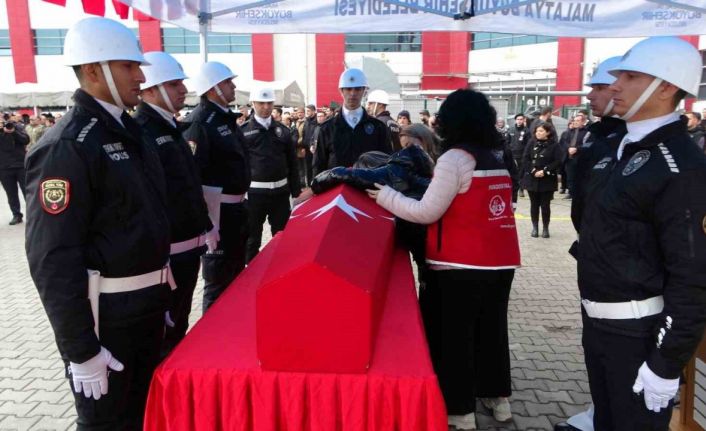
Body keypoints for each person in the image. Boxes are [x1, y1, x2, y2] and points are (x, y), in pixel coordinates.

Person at [25, 18, 173, 429]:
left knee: (143, 418)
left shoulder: (131, 130)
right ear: (93, 70)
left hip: (143, 310)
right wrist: (80, 350)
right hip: (106, 322)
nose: (141, 77)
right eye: (129, 66)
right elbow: (53, 258)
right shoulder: (67, 146)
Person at [367, 89, 521, 430]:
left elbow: (426, 211)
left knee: (456, 339)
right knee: (492, 331)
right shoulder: (495, 156)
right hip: (500, 262)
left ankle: (460, 411)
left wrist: (385, 196)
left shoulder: (454, 159)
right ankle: (498, 400)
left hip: (458, 265)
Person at [578, 36, 706, 431]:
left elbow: (693, 275)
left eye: (630, 76)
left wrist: (665, 362)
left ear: (666, 87)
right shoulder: (617, 146)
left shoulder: (680, 165)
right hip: (597, 325)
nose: (615, 85)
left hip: (639, 334)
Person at [555, 55, 627, 431]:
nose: (592, 94)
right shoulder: (599, 136)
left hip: (621, 267)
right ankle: (599, 409)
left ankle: (610, 413)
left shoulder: (628, 142)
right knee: (594, 342)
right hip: (593, 255)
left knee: (617, 350)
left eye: (600, 86)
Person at [134, 51, 215, 357]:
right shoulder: (144, 130)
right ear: (150, 90)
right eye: (173, 83)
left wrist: (206, 225)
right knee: (166, 336)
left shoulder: (169, 126)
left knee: (177, 326)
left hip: (187, 247)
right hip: (168, 257)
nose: (183, 89)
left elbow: (187, 185)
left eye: (180, 82)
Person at [184, 61, 250, 312]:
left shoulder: (225, 119)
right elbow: (193, 178)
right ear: (213, 88)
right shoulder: (200, 123)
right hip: (217, 215)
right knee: (217, 282)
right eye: (227, 82)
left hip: (235, 212)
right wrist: (207, 224)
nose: (233, 86)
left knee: (234, 277)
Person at [241, 87, 301, 262]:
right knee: (252, 239)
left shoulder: (283, 131)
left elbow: (292, 163)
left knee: (281, 236)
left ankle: (278, 272)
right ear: (253, 103)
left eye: (269, 103)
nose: (266, 107)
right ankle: (250, 277)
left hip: (280, 194)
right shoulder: (243, 131)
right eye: (261, 103)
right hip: (254, 195)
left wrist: (296, 193)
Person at [312, 68, 392, 175]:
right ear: (341, 91)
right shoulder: (327, 128)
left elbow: (387, 162)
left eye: (358, 89)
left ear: (364, 91)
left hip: (366, 189)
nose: (353, 93)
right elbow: (319, 165)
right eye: (348, 89)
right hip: (336, 188)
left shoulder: (378, 127)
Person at [521, 122, 562, 238]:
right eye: (537, 131)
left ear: (548, 132)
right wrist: (533, 171)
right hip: (532, 178)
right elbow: (525, 159)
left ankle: (545, 228)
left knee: (545, 205)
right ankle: (535, 227)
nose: (538, 133)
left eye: (541, 131)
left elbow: (558, 160)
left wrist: (545, 171)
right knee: (534, 204)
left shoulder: (554, 145)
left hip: (547, 179)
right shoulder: (531, 143)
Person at [0, 119, 29, 225]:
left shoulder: (16, 127)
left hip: (20, 166)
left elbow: (26, 140)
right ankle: (16, 215)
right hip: (4, 168)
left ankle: (32, 214)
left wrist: (13, 131)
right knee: (11, 194)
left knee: (28, 191)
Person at [561, 112, 589, 199]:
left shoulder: (587, 132)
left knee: (580, 177)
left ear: (583, 122)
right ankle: (571, 192)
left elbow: (588, 144)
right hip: (569, 158)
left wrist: (577, 149)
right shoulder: (569, 132)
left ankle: (579, 193)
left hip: (580, 158)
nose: (575, 122)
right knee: (570, 176)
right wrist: (569, 148)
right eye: (575, 120)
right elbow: (564, 142)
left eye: (578, 121)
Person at [508, 113, 529, 197]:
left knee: (521, 173)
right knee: (512, 172)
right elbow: (507, 141)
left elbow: (528, 144)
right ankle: (511, 188)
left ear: (523, 120)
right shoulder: (511, 129)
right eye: (518, 119)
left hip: (522, 155)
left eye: (521, 119)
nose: (519, 121)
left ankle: (521, 189)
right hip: (512, 154)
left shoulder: (527, 131)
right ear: (515, 120)